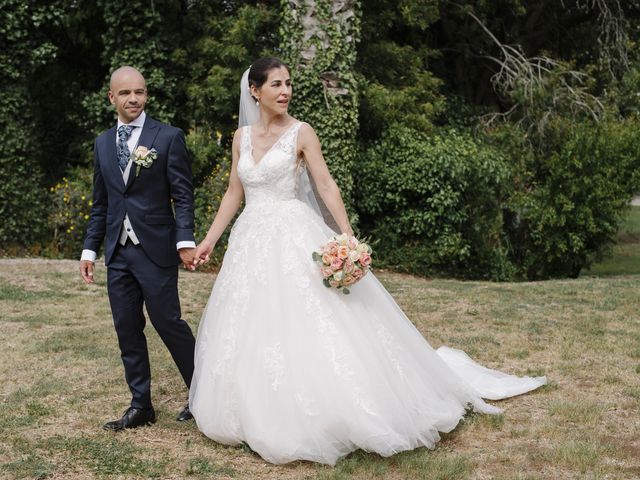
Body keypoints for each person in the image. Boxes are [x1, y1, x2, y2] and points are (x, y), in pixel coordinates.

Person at [188, 57, 546, 466]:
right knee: (251, 323)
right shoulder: (241, 137)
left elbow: (324, 183)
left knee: (312, 319)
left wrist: (346, 235)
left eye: (288, 83)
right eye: (275, 85)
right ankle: (252, 409)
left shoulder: (302, 133)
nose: (285, 91)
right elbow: (235, 191)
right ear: (255, 91)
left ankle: (331, 407)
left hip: (293, 232)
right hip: (252, 238)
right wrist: (209, 241)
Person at [80, 66, 197, 431]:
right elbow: (102, 203)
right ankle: (141, 405)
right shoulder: (102, 143)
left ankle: (204, 393)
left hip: (156, 249)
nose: (134, 99)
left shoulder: (168, 137)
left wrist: (185, 238)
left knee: (168, 323)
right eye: (126, 93)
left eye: (141, 92)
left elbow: (182, 193)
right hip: (118, 252)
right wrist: (89, 250)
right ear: (111, 97)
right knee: (126, 327)